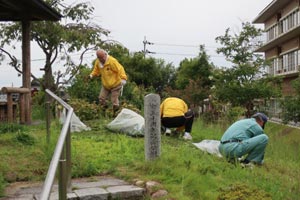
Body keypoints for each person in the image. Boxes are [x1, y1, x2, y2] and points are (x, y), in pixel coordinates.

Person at [89, 49, 127, 114]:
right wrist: (92, 74)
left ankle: (116, 113)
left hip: (116, 84)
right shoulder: (98, 62)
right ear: (98, 58)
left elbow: (120, 69)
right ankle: (104, 112)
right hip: (106, 85)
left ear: (105, 54)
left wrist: (123, 78)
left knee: (114, 101)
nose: (103, 59)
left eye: (103, 57)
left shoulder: (112, 61)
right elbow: (96, 70)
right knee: (101, 98)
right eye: (100, 58)